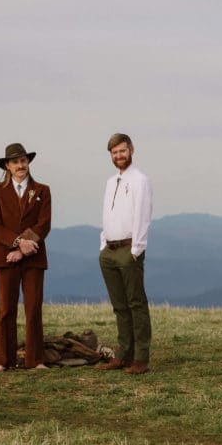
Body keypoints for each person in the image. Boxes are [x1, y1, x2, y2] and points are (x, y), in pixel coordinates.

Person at [0, 143, 51, 372]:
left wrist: (23, 248)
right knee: (6, 310)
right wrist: (16, 243)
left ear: (28, 162)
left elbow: (44, 224)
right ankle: (4, 360)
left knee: (33, 309)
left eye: (23, 161)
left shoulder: (42, 190)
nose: (20, 165)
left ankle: (35, 360)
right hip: (5, 258)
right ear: (7, 166)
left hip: (33, 257)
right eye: (15, 162)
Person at [96, 133, 154, 375]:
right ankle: (123, 354)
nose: (118, 156)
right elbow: (108, 215)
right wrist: (102, 244)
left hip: (128, 249)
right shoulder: (111, 182)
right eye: (114, 152)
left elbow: (143, 214)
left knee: (136, 303)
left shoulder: (140, 180)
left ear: (131, 150)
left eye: (122, 151)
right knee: (119, 306)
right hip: (109, 250)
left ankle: (141, 358)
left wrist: (136, 249)